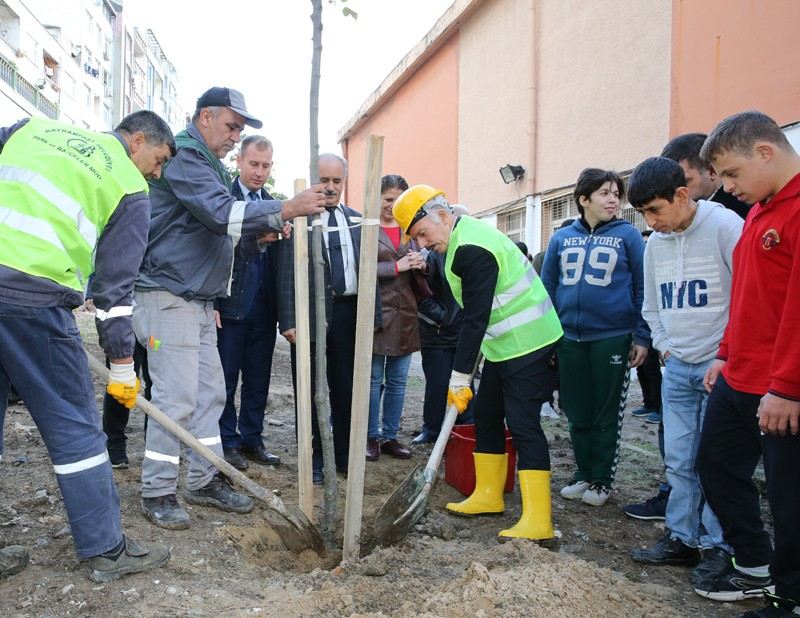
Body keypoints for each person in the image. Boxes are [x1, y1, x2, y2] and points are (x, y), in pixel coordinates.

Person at [134, 87, 326, 528]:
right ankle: (158, 490)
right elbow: (222, 215)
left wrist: (256, 240)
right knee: (174, 398)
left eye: (241, 129)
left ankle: (205, 479)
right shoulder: (183, 156)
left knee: (210, 396)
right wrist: (286, 209)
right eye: (232, 126)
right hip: (168, 295)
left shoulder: (208, 165)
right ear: (206, 117)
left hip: (199, 301)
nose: (236, 137)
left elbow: (219, 233)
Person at [0, 111, 175, 581]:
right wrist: (122, 365)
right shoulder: (128, 187)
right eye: (157, 160)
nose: (157, 174)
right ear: (136, 140)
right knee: (76, 429)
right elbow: (115, 296)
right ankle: (105, 549)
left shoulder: (30, 129)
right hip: (33, 301)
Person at [393, 185, 563, 541]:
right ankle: (487, 494)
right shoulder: (461, 240)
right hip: (505, 346)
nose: (422, 244)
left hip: (530, 344)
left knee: (522, 423)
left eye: (422, 233)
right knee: (487, 414)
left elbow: (476, 319)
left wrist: (459, 377)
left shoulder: (472, 248)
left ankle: (538, 520)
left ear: (441, 215)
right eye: (415, 239)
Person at [694, 111, 800, 616]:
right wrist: (725, 352)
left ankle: (791, 596)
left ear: (765, 151)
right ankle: (755, 563)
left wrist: (787, 387)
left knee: (789, 499)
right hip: (739, 376)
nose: (727, 187)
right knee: (714, 467)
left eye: (732, 174)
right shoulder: (759, 209)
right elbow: (748, 295)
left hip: (782, 390)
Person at [625, 131, 754, 521]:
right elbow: (652, 303)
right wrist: (664, 345)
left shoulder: (726, 226)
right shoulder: (655, 245)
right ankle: (682, 535)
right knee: (679, 459)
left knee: (715, 462)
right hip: (678, 366)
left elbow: (748, 296)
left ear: (682, 196)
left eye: (655, 211)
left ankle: (717, 545)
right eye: (643, 214)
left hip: (721, 368)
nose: (650, 222)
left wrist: (727, 354)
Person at [541, 169, 649, 507]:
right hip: (569, 338)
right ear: (583, 199)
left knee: (605, 411)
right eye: (605, 193)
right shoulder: (560, 238)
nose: (614, 199)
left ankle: (602, 480)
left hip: (611, 337)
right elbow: (548, 288)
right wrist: (548, 337)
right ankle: (583, 472)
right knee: (576, 409)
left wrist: (642, 336)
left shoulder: (629, 235)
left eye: (616, 193)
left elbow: (641, 287)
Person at [277, 153, 367, 484]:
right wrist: (288, 319)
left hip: (348, 313)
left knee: (346, 387)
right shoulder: (299, 219)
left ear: (345, 182)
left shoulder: (358, 220)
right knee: (311, 388)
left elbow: (369, 271)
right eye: (324, 180)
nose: (330, 188)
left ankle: (342, 456)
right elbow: (286, 270)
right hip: (310, 314)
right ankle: (312, 459)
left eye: (336, 181)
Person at [215, 135, 281, 471]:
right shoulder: (221, 201)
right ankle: (227, 442)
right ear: (239, 161)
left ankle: (252, 439)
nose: (259, 171)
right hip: (229, 308)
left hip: (264, 311)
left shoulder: (275, 205)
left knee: (258, 380)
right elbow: (212, 252)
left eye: (265, 165)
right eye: (253, 164)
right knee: (225, 379)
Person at [367, 174, 425, 461]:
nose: (392, 206)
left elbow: (424, 273)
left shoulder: (410, 229)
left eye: (398, 200)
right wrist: (397, 266)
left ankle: (391, 436)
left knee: (399, 381)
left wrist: (421, 264)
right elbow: (362, 270)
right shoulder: (366, 228)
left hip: (406, 317)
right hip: (378, 314)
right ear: (377, 198)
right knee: (373, 379)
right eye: (388, 199)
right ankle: (371, 436)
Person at [413, 205, 472, 445]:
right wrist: (443, 318)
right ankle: (433, 430)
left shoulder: (469, 251)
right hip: (437, 334)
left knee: (465, 383)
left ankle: (466, 428)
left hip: (464, 332)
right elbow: (421, 294)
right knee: (437, 385)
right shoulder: (433, 252)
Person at [661, 132, 751, 220]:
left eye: (684, 182)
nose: (676, 191)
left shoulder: (740, 207)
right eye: (671, 184)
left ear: (712, 171)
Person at [630, 230, 664, 424]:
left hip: (653, 325)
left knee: (651, 367)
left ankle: (658, 406)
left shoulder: (656, 265)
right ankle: (649, 403)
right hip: (642, 321)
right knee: (642, 367)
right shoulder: (640, 268)